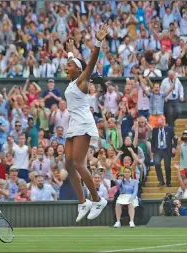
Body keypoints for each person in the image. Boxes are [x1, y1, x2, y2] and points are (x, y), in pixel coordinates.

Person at [63, 25, 109, 222]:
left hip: (83, 123)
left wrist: (98, 42)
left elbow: (90, 62)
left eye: (70, 65)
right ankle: (83, 202)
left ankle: (98, 199)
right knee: (68, 164)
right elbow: (77, 63)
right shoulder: (74, 81)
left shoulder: (83, 80)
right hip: (74, 124)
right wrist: (71, 51)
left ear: (79, 70)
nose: (66, 66)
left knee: (78, 163)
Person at [151, 118, 177, 187]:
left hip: (166, 150)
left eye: (160, 125)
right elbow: (153, 140)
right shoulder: (155, 130)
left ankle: (168, 182)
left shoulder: (169, 129)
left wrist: (174, 147)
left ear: (164, 123)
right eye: (158, 125)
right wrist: (152, 150)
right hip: (158, 150)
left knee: (167, 166)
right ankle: (161, 181)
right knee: (157, 164)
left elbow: (175, 138)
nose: (159, 126)